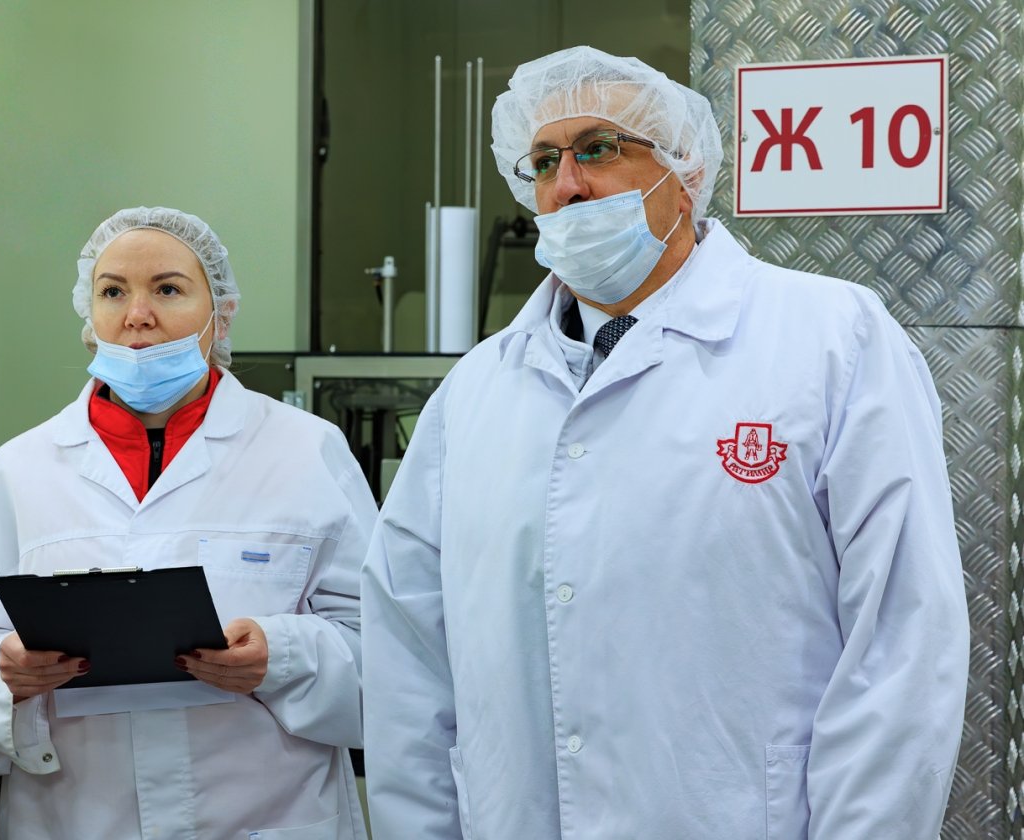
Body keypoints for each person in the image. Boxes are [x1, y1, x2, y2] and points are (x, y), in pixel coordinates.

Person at [361, 46, 969, 839]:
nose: (567, 184)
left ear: (685, 174)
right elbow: (409, 660)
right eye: (543, 161)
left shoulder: (832, 340)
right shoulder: (475, 393)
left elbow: (901, 642)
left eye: (598, 148)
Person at [0, 207, 374, 839]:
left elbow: (385, 653)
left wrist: (280, 657)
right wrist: (8, 676)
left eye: (168, 289)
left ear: (220, 314)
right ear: (89, 314)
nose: (137, 314)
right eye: (113, 292)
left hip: (266, 816)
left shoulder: (307, 452)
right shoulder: (17, 471)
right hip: (75, 819)